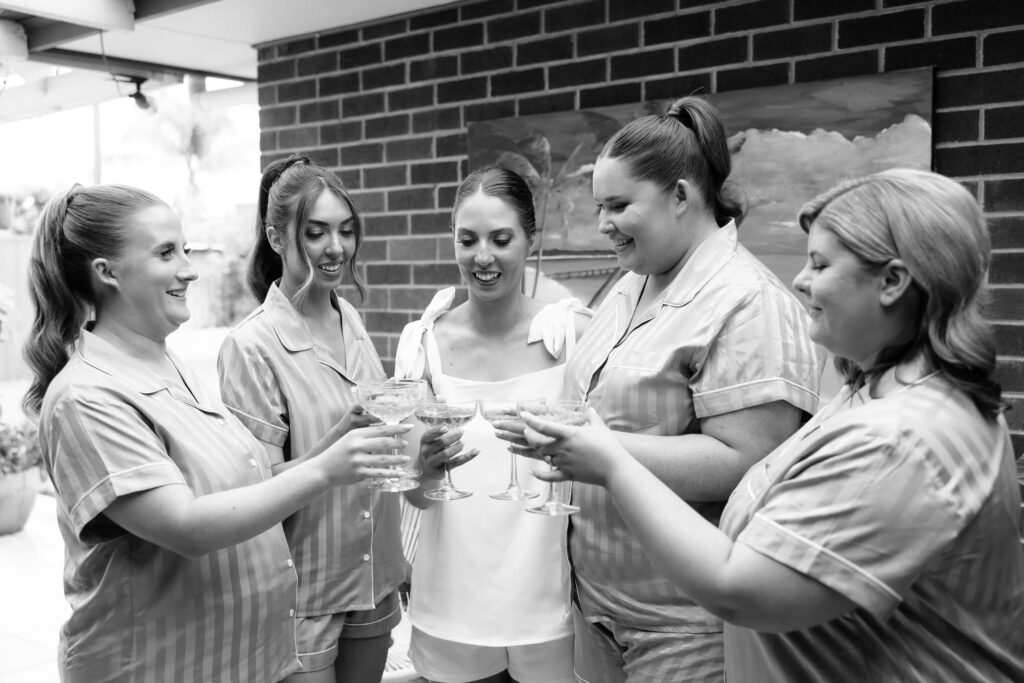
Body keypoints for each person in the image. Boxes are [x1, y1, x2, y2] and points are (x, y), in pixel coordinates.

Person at [521, 168, 1024, 682]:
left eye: (820, 264)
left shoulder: (901, 439)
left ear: (892, 282)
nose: (800, 281)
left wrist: (613, 464)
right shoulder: (873, 391)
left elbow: (739, 590)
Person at [24, 184, 411, 683]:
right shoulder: (85, 397)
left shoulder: (170, 367)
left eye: (185, 250)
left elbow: (247, 489)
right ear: (107, 272)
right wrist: (324, 471)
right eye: (166, 253)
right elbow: (185, 525)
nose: (190, 269)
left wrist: (334, 442)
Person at [542, 96, 821, 681]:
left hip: (685, 629)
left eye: (619, 205)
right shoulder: (632, 283)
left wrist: (597, 449)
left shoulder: (749, 302)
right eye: (598, 206)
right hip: (597, 610)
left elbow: (749, 460)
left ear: (680, 195)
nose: (602, 224)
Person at [393, 166, 591, 683]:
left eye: (501, 239)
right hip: (453, 600)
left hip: (549, 602)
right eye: (468, 240)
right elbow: (417, 495)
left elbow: (603, 462)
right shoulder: (423, 343)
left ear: (530, 240)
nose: (483, 257)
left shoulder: (571, 335)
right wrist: (427, 467)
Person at [216, 156, 406, 683]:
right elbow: (252, 493)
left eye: (346, 231)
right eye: (316, 232)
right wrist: (335, 441)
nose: (336, 248)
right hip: (305, 594)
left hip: (373, 577)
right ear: (276, 238)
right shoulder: (251, 346)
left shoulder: (350, 318)